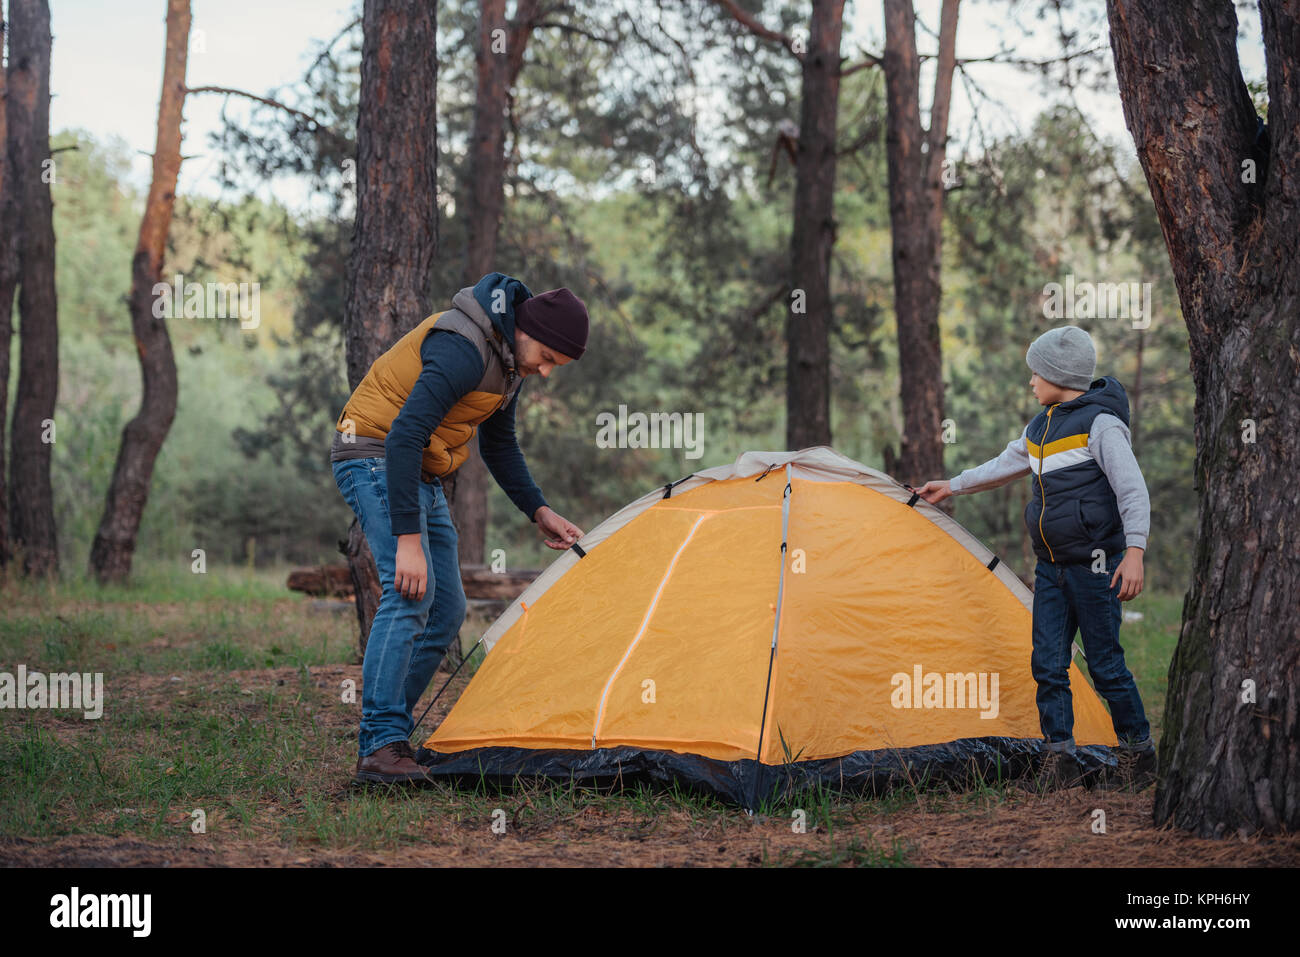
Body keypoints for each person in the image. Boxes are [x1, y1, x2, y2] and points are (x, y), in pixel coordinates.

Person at [330, 272, 588, 785]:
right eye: (550, 358)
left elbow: (499, 446)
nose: (547, 372)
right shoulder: (463, 346)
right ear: (528, 330)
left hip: (416, 466)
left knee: (446, 611)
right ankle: (379, 746)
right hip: (374, 453)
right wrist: (408, 541)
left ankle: (389, 740)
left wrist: (540, 510)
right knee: (408, 596)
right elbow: (405, 432)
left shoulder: (509, 364)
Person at [914, 325, 1157, 792]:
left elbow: (1133, 491)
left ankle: (1138, 755)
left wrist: (1136, 553)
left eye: (1035, 373)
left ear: (1058, 375)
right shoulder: (1040, 428)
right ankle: (1060, 758)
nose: (1030, 382)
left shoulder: (1100, 425)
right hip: (1050, 569)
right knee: (1047, 663)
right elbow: (1003, 464)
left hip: (1097, 568)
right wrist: (951, 485)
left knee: (1105, 666)